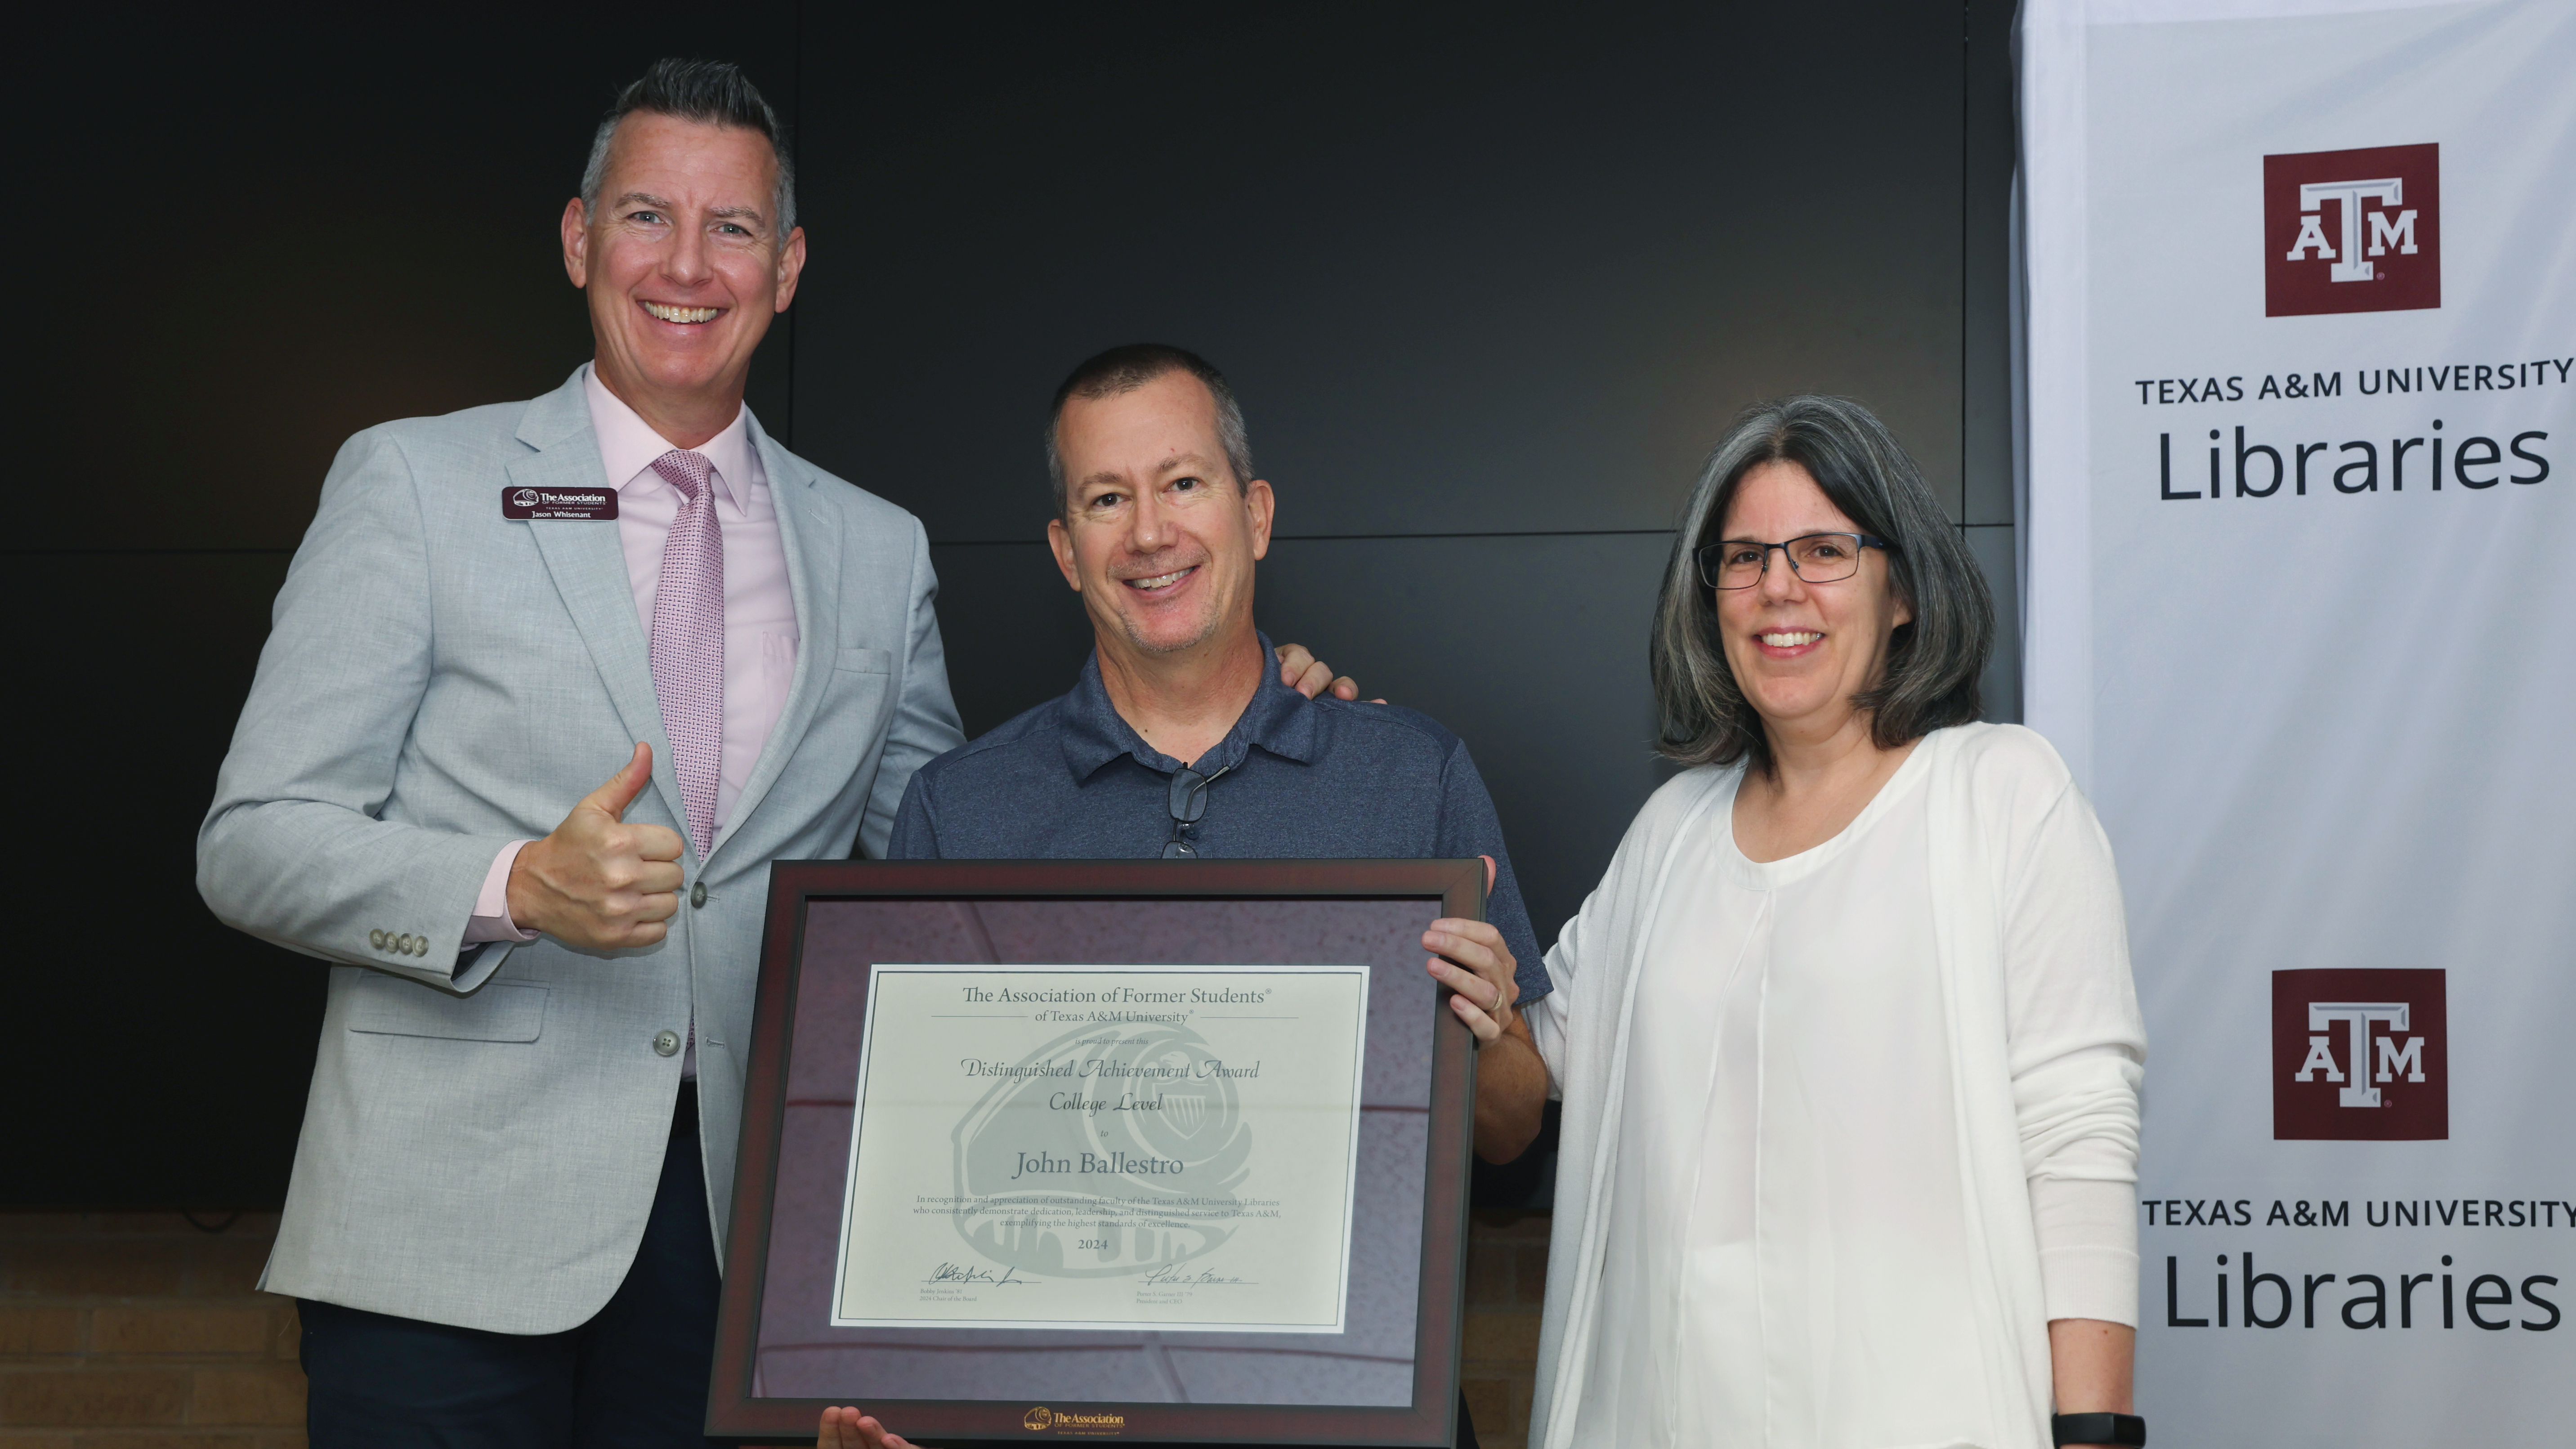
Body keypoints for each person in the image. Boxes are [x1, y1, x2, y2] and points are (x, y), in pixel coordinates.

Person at [196, 66, 1352, 1448]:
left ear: (788, 266)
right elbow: (253, 836)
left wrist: (1237, 710)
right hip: (440, 1241)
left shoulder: (873, 548)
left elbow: (951, 858)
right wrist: (513, 886)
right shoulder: (414, 483)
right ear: (578, 241)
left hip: (749, 1255)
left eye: (734, 228)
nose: (688, 265)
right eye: (647, 217)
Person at [810, 344, 1549, 1449]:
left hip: (1347, 1415)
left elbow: (1510, 1136)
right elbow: (912, 1179)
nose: (1149, 532)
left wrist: (1489, 1033)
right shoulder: (960, 813)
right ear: (1066, 550)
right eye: (1107, 498)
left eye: (1182, 483)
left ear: (1253, 513)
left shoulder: (1410, 775)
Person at [1489, 396, 2148, 1449]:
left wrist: (2092, 1435)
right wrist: (1365, 811)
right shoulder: (1670, 834)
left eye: (1823, 549)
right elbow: (1522, 1074)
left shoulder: (2000, 796)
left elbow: (2076, 1144)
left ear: (1900, 591)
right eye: (1742, 558)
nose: (1777, 588)